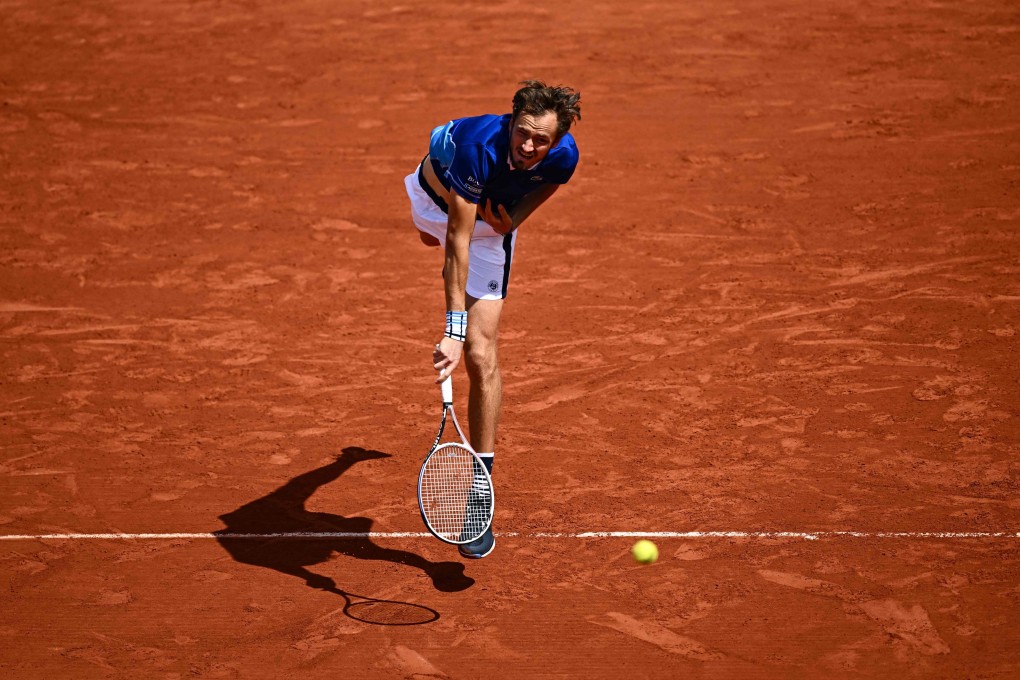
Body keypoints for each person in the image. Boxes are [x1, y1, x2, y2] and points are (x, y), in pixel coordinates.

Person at [403, 80, 581, 559]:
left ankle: (478, 498)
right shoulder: (479, 147)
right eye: (522, 133)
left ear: (558, 138)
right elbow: (455, 242)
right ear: (511, 122)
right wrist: (451, 331)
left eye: (540, 139)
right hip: (437, 196)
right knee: (433, 239)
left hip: (485, 229)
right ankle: (423, 224)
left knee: (483, 355)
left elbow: (547, 185)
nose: (528, 146)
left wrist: (514, 218)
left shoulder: (564, 156)